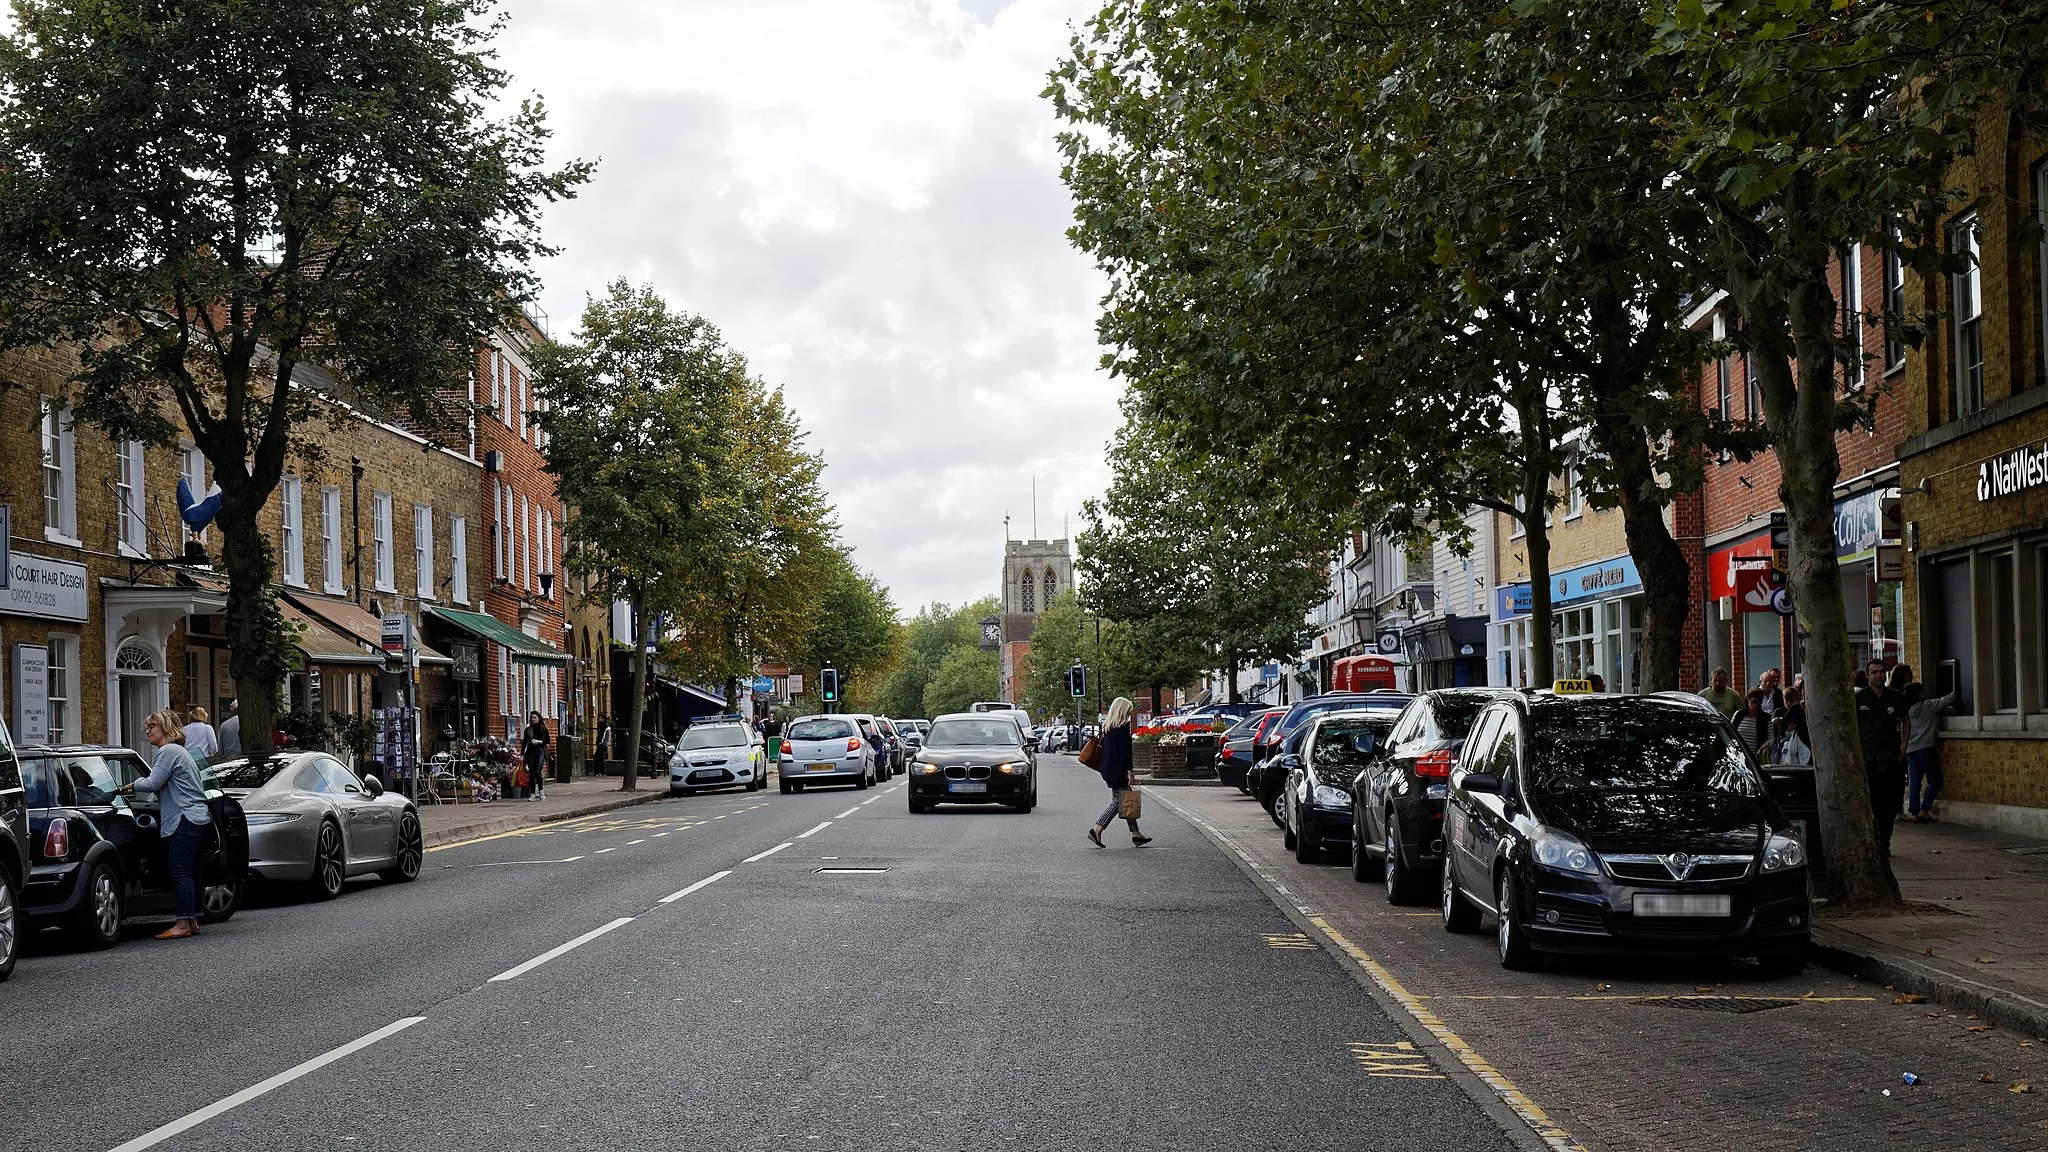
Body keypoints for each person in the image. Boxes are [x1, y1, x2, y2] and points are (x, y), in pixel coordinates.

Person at [115, 710, 213, 940]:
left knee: (179, 870)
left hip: (184, 817)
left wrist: (130, 785)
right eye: (148, 727)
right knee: (192, 871)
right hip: (198, 816)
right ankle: (193, 920)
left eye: (153, 726)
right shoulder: (182, 752)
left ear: (167, 728)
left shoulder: (168, 751)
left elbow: (153, 782)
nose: (148, 731)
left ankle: (182, 923)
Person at [1855, 659, 1910, 855]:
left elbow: (1905, 720)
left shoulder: (1895, 697)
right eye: (1875, 672)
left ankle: (1884, 842)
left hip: (1889, 757)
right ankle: (1873, 842)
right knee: (1872, 802)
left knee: (1889, 804)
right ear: (1868, 675)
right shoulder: (1860, 698)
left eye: (1882, 672)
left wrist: (1904, 744)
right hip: (1868, 757)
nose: (1879, 675)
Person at [1087, 696, 1151, 848]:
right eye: (1128, 711)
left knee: (1126, 798)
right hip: (1118, 770)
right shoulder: (1122, 728)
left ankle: (1136, 834)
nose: (1129, 714)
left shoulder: (1108, 727)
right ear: (1123, 711)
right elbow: (1125, 753)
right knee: (1120, 801)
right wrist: (1130, 772)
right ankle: (1097, 829)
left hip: (1108, 768)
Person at [1904, 680, 1953, 822]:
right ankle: (1924, 809)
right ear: (1918, 693)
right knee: (1934, 780)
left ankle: (1914, 813)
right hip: (1926, 747)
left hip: (1911, 749)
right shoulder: (1928, 706)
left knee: (1915, 782)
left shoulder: (1906, 709)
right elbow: (1948, 699)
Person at [1733, 690, 1772, 757]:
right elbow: (1731, 732)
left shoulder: (1766, 718)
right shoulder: (1739, 715)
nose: (1756, 705)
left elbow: (1771, 738)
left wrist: (1766, 745)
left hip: (1756, 757)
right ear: (1748, 700)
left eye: (1759, 702)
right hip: (1738, 755)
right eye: (1753, 702)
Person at [522, 711, 550, 802]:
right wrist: (522, 754)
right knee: (532, 773)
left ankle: (541, 790)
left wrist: (539, 742)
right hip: (531, 752)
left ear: (539, 718)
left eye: (534, 717)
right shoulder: (528, 730)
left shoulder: (543, 729)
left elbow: (547, 741)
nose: (533, 719)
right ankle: (532, 793)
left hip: (540, 751)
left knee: (538, 771)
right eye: (531, 718)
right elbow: (524, 742)